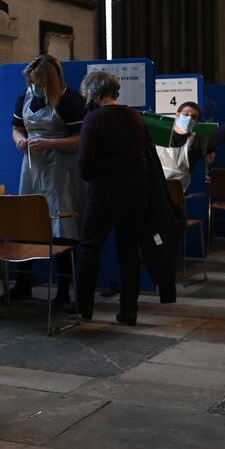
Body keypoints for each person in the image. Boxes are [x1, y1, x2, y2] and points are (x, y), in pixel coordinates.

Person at [75, 71, 152, 325]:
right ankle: (129, 310)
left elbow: (85, 163)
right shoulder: (135, 116)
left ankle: (84, 307)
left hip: (104, 191)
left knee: (90, 248)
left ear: (96, 94)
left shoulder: (93, 119)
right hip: (136, 190)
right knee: (129, 251)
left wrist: (93, 176)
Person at [10, 54, 85, 307]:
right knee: (27, 221)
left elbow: (80, 140)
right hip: (32, 166)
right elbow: (17, 127)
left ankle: (63, 290)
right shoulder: (26, 95)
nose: (36, 87)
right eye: (33, 82)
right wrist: (19, 140)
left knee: (61, 226)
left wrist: (49, 143)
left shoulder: (71, 100)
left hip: (61, 169)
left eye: (41, 83)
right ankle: (23, 283)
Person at [157, 88, 225, 191]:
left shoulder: (197, 144)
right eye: (185, 114)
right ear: (177, 115)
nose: (189, 118)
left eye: (193, 117)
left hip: (174, 198)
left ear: (196, 123)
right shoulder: (157, 134)